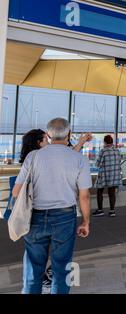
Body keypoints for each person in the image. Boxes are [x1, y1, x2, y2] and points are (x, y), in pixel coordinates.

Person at [12, 118, 92, 294]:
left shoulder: (33, 156)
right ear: (68, 134)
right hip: (65, 218)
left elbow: (16, 192)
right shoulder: (79, 159)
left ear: (48, 135)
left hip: (35, 218)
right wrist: (86, 222)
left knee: (33, 269)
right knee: (62, 269)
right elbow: (84, 196)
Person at [92, 135, 122, 218]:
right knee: (112, 193)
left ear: (105, 142)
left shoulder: (103, 151)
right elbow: (119, 161)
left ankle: (100, 210)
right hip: (114, 175)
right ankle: (112, 211)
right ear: (112, 142)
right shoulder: (117, 151)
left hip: (104, 175)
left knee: (99, 191)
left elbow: (97, 164)